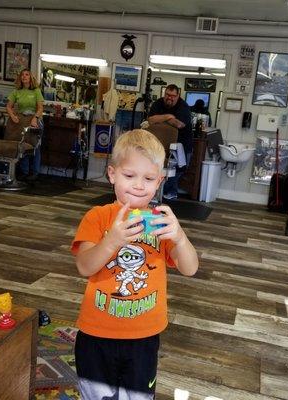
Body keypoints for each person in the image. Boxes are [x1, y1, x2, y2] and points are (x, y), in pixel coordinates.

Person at [70, 129, 198, 400]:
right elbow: (84, 266)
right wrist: (112, 241)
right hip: (96, 334)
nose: (139, 185)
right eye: (129, 176)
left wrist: (180, 236)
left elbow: (190, 268)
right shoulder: (97, 217)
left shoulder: (161, 222)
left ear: (159, 181)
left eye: (149, 178)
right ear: (112, 174)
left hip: (144, 336)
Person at [148, 84, 192, 200]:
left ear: (178, 96)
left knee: (178, 169)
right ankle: (159, 193)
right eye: (168, 94)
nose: (170, 98)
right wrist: (168, 116)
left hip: (182, 144)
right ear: (164, 93)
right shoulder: (158, 103)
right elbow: (151, 120)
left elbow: (179, 124)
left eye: (173, 96)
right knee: (158, 167)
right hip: (160, 143)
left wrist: (160, 118)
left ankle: (170, 191)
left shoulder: (183, 107)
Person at [6, 68, 44, 179]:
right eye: (22, 75)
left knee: (35, 145)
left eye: (27, 74)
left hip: (35, 118)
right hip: (22, 119)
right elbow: (8, 106)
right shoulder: (16, 91)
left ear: (30, 77)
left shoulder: (36, 90)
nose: (24, 76)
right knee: (22, 144)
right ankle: (24, 171)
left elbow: (41, 108)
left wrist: (35, 118)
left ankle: (35, 172)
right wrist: (12, 116)